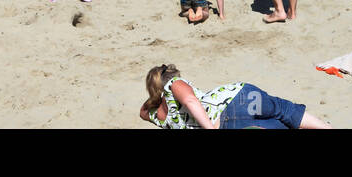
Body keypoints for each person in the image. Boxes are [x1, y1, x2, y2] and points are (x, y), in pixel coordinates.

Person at [140, 63, 329, 130]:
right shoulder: (174, 84)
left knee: (280, 122)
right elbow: (190, 99)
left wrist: (154, 97)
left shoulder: (161, 118)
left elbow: (143, 112)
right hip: (239, 98)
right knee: (284, 111)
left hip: (230, 123)